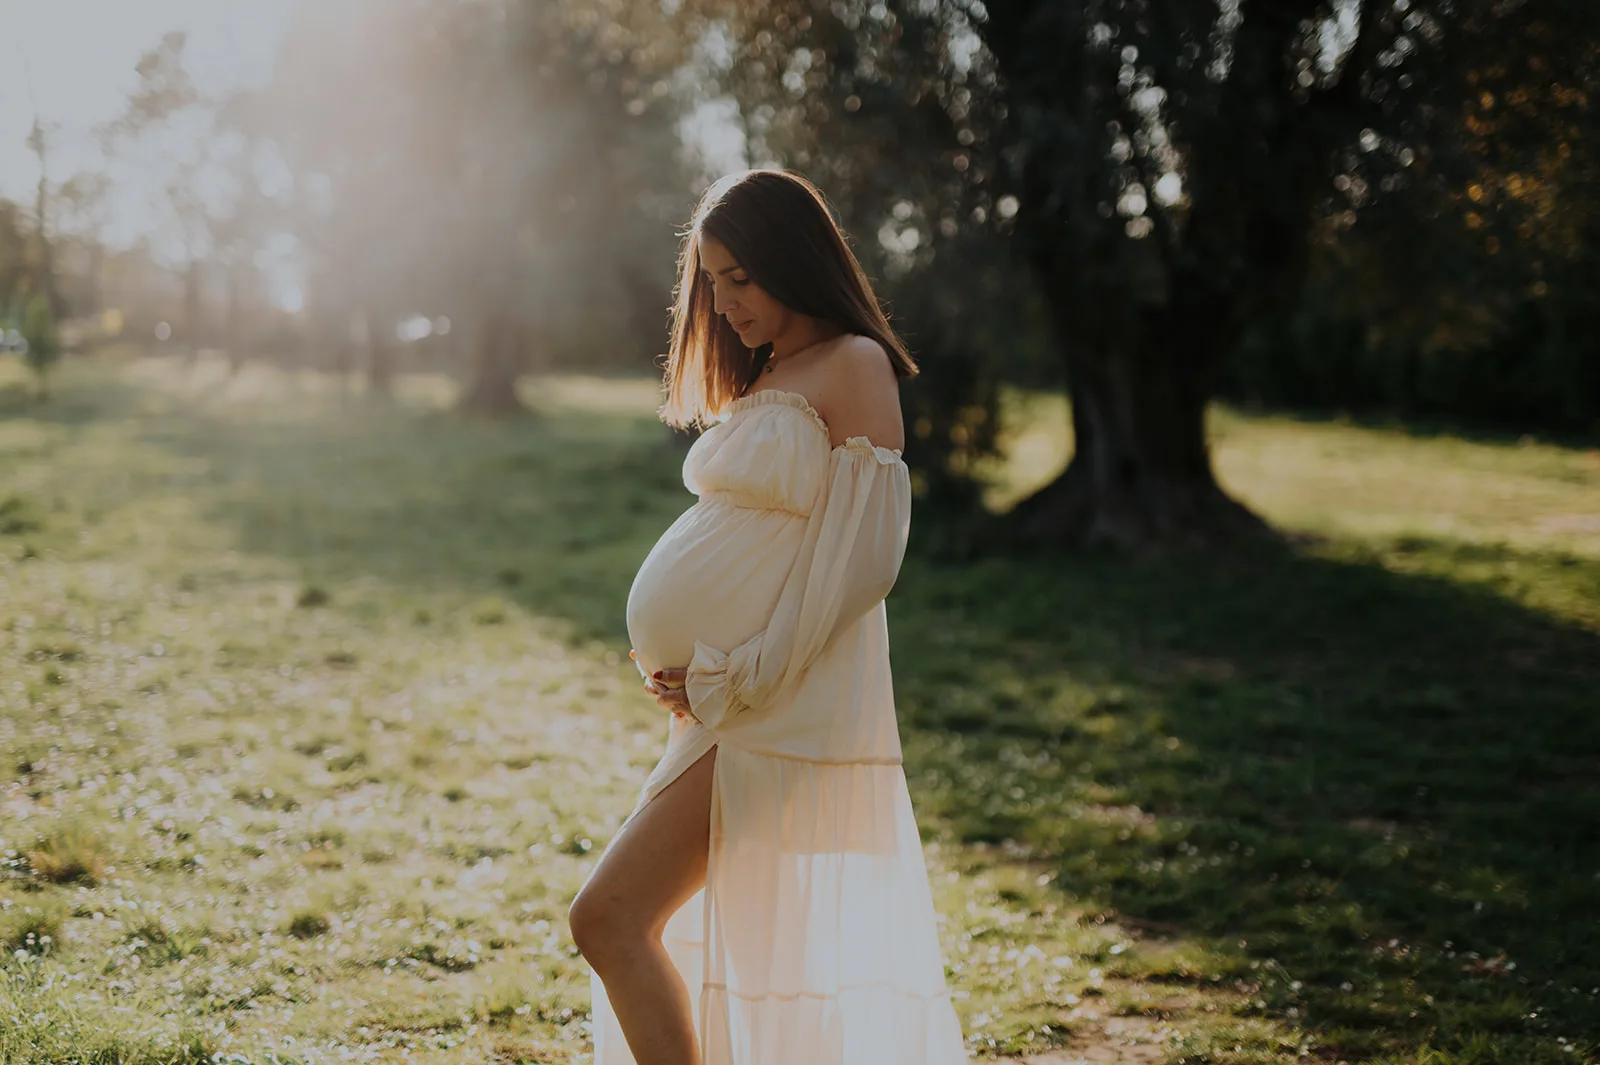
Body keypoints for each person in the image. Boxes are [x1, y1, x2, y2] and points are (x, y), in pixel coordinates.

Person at [568, 169, 968, 1065]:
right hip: (729, 706)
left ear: (793, 259)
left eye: (740, 278)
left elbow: (862, 559)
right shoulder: (769, 373)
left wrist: (741, 670)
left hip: (772, 703)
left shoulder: (854, 363)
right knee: (668, 931)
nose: (724, 303)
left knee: (610, 917)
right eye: (713, 282)